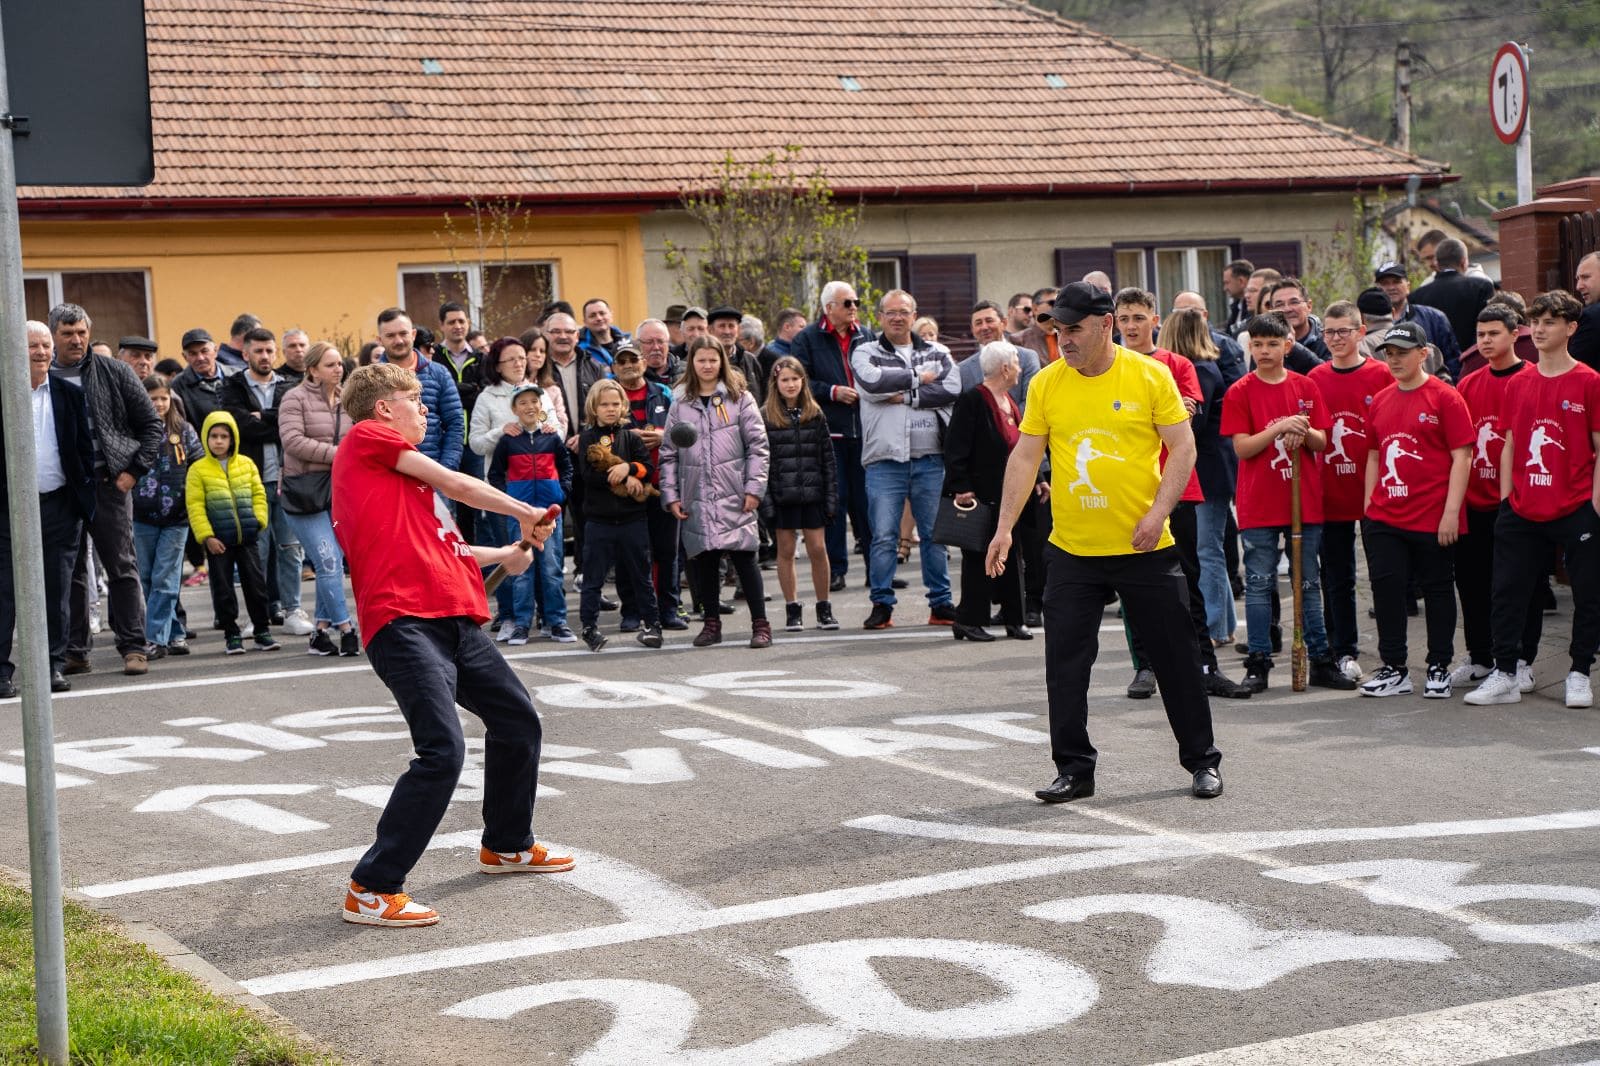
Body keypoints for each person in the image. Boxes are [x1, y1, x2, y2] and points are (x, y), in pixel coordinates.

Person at [331, 362, 570, 928]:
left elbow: (450, 550)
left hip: (453, 620)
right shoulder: (368, 438)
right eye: (415, 399)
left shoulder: (402, 485)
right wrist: (524, 510)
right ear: (384, 408)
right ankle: (372, 887)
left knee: (517, 720)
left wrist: (508, 554)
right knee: (442, 750)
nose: (426, 409)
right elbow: (460, 483)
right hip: (403, 624)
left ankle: (507, 845)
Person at [985, 282, 1222, 803]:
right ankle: (1074, 769)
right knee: (1065, 668)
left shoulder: (1149, 375)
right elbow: (1025, 458)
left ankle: (1202, 761)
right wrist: (1004, 528)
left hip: (1144, 547)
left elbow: (1182, 449)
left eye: (1073, 329)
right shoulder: (1047, 384)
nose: (1062, 339)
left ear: (1105, 324)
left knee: (1176, 659)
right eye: (1057, 330)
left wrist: (1159, 512)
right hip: (1072, 551)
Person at [1466, 290, 1600, 709]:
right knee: (1508, 591)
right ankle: (1506, 672)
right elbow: (1508, 443)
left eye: (1549, 322)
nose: (1539, 330)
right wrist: (1507, 498)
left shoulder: (1590, 381)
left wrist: (1595, 505)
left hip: (1576, 505)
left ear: (1570, 328)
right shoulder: (1520, 381)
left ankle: (1578, 672)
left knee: (1589, 593)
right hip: (1521, 506)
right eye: (1535, 322)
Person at [1220, 312, 1355, 692]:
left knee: (1308, 583)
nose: (1264, 350)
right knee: (1261, 583)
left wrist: (1303, 430)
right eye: (1258, 344)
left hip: (1304, 501)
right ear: (1250, 346)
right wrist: (1280, 427)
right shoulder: (1240, 391)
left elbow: (1322, 442)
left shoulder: (1306, 387)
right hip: (1259, 503)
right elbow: (1243, 448)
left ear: (1288, 346)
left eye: (1272, 344)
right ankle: (1259, 661)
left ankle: (1321, 660)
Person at [1356, 322, 1473, 698]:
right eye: (1389, 353)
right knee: (1386, 591)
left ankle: (1439, 665)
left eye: (1402, 352)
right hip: (1386, 516)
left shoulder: (1445, 396)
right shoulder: (1382, 398)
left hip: (1433, 515)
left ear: (1424, 354)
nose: (1394, 360)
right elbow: (1374, 452)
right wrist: (1369, 504)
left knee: (1438, 590)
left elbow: (1463, 456)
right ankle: (1394, 668)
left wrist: (1452, 512)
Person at [49, 303, 163, 678]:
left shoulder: (114, 371)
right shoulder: (42, 378)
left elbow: (151, 426)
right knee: (72, 574)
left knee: (121, 566)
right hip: (63, 489)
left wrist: (133, 471)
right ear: (53, 336)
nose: (77, 340)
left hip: (108, 485)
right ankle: (76, 651)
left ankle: (134, 647)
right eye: (68, 333)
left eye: (82, 332)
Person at [852, 289, 961, 629]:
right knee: (884, 536)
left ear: (914, 316)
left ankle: (941, 605)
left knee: (933, 535)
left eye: (903, 311)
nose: (897, 317)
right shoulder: (865, 351)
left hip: (930, 458)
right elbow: (871, 384)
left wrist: (907, 396)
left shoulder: (936, 351)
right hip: (884, 459)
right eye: (890, 312)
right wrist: (919, 379)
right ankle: (881, 605)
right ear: (880, 317)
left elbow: (952, 387)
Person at [1452, 305, 1545, 689]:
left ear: (1514, 335)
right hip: (1474, 501)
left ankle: (1523, 659)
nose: (1486, 341)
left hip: (1519, 502)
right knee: (1472, 583)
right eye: (1481, 334)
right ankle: (1479, 656)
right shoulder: (1469, 384)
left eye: (1494, 334)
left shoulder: (1533, 379)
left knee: (1524, 584)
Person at [0, 321, 95, 696]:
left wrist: (83, 501)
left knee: (56, 591)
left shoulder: (68, 394)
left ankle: (53, 666)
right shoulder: (5, 391)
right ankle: (2, 672)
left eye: (44, 345)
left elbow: (83, 449)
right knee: (4, 591)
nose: (40, 351)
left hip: (59, 506)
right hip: (7, 512)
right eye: (32, 346)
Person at [661, 337, 772, 649]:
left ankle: (760, 624)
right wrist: (671, 495)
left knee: (745, 558)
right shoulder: (681, 402)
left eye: (713, 360)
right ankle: (711, 623)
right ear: (692, 363)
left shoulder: (740, 397)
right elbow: (669, 453)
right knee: (704, 559)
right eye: (701, 360)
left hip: (735, 491)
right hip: (696, 492)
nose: (707, 366)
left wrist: (754, 488)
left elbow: (758, 448)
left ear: (722, 361)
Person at [1306, 301, 1393, 681]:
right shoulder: (1315, 378)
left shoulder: (1382, 375)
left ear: (1361, 332)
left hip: (1376, 493)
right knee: (1336, 577)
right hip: (1330, 493)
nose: (1336, 339)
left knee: (1384, 575)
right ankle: (1344, 650)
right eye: (1329, 332)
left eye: (1344, 331)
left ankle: (1393, 655)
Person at [943, 341, 1039, 641]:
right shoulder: (973, 400)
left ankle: (1014, 619)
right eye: (1016, 364)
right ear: (1005, 368)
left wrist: (1038, 480)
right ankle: (968, 620)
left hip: (1008, 494)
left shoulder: (1008, 400)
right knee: (977, 557)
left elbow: (1020, 449)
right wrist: (961, 487)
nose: (1021, 369)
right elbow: (955, 446)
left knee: (1012, 555)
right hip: (979, 494)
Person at [220, 327, 311, 636]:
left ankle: (292, 609)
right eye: (258, 351)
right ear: (245, 354)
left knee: (289, 547)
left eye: (270, 351)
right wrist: (272, 421)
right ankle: (257, 615)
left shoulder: (289, 387)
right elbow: (238, 427)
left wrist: (263, 417)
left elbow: (296, 427)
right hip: (250, 481)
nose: (265, 356)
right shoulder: (232, 386)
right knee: (256, 551)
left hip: (288, 480)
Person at [791, 281, 873, 592]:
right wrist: (833, 392)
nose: (854, 308)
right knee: (835, 504)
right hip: (829, 434)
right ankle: (836, 570)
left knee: (867, 505)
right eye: (848, 303)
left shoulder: (866, 335)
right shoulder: (807, 339)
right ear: (829, 308)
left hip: (865, 431)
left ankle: (875, 570)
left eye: (856, 302)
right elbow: (798, 382)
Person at [278, 342, 358, 656]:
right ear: (312, 370)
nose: (338, 369)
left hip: (338, 491)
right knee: (326, 561)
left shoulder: (347, 400)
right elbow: (293, 441)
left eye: (339, 364)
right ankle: (347, 628)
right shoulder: (293, 398)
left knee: (334, 563)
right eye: (330, 365)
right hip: (303, 494)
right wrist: (340, 455)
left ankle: (320, 634)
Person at [575, 379, 662, 652]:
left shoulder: (631, 436)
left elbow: (646, 467)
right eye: (604, 405)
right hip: (599, 522)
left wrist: (629, 469)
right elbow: (589, 476)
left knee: (641, 575)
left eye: (615, 404)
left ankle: (652, 624)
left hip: (632, 519)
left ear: (623, 405)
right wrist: (623, 478)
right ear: (594, 407)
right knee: (593, 579)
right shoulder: (587, 438)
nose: (610, 409)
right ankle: (589, 627)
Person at [489, 384, 573, 646]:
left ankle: (555, 622)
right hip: (520, 516)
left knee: (551, 568)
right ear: (514, 409)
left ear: (541, 406)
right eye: (522, 402)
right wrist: (509, 502)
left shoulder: (552, 438)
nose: (529, 407)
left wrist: (561, 493)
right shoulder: (508, 441)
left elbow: (567, 468)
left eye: (534, 401)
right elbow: (495, 475)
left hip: (549, 515)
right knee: (522, 570)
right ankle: (522, 623)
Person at [186, 411, 277, 655]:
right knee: (223, 589)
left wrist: (258, 521)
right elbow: (195, 506)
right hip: (219, 542)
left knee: (256, 586)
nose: (218, 441)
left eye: (224, 436)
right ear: (206, 437)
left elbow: (259, 494)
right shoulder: (198, 470)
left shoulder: (246, 464)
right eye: (214, 436)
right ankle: (232, 633)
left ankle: (261, 630)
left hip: (247, 538)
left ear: (232, 438)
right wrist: (207, 537)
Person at [762, 356, 839, 632]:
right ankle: (792, 608)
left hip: (813, 494)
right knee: (785, 550)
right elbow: (762, 463)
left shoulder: (815, 413)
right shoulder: (765, 416)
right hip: (783, 495)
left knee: (818, 548)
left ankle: (824, 608)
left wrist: (831, 498)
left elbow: (828, 460)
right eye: (785, 380)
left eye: (795, 379)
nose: (791, 384)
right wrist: (767, 502)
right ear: (776, 383)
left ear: (802, 381)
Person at [611, 341, 684, 631]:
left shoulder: (664, 393)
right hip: (625, 488)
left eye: (633, 359)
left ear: (644, 361)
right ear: (615, 367)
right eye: (622, 361)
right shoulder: (609, 397)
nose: (629, 364)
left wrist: (665, 435)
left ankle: (668, 608)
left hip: (662, 483)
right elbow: (599, 437)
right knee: (629, 552)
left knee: (667, 551)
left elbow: (684, 430)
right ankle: (631, 610)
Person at [132, 375, 200, 659]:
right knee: (147, 577)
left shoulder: (183, 430)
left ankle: (154, 638)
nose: (159, 403)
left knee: (165, 578)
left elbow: (197, 466)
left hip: (177, 516)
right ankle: (175, 634)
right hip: (142, 514)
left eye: (163, 398)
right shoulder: (133, 428)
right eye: (152, 398)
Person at [373, 308, 464, 473]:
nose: (399, 340)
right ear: (379, 340)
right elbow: (363, 428)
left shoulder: (439, 373)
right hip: (389, 475)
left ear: (413, 334)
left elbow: (455, 424)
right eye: (390, 336)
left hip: (435, 474)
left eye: (403, 333)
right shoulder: (370, 380)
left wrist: (445, 470)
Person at [1374, 262, 1460, 382]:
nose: (1391, 287)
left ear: (1408, 286)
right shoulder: (1369, 323)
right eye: (1385, 283)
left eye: (1396, 281)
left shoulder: (1434, 318)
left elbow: (1452, 360)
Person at [1410, 239, 1496, 354]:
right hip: (1473, 359)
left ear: (1437, 264)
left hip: (1434, 363)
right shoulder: (1482, 287)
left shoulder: (1416, 296)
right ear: (1464, 262)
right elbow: (1490, 325)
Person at [1266, 278, 1330, 360]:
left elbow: (1326, 372)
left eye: (1294, 302)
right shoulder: (1263, 343)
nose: (1287, 309)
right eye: (1280, 305)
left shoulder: (1328, 339)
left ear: (1309, 306)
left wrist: (1294, 348)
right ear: (1271, 311)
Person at [1572, 251, 1600, 370]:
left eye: (1585, 277)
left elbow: (1572, 367)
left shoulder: (1591, 317)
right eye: (1578, 279)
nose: (1578, 286)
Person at [1223, 259, 1254, 332]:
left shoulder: (1253, 309)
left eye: (1227, 283)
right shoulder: (1237, 307)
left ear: (1241, 281)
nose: (1225, 288)